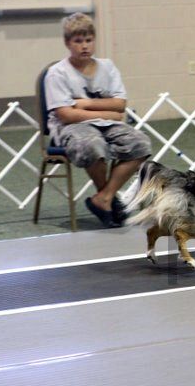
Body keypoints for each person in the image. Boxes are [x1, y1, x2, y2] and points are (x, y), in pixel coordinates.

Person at [45, 12, 152, 228]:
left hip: (109, 125)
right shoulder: (56, 73)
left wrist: (83, 104)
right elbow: (66, 114)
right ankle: (110, 200)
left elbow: (120, 105)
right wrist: (107, 112)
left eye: (88, 40)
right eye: (78, 41)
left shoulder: (108, 67)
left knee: (140, 144)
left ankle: (103, 198)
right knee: (93, 145)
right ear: (67, 43)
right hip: (71, 128)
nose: (84, 46)